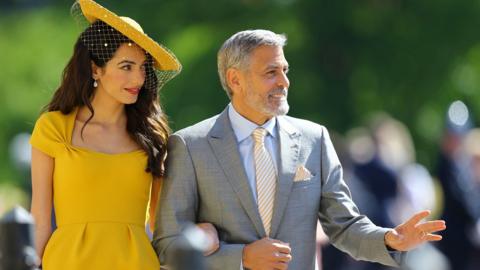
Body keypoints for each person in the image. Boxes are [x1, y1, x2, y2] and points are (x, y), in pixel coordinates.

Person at [153, 29, 446, 270]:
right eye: (271, 72)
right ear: (235, 79)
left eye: (285, 70)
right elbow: (168, 246)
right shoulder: (191, 145)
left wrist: (389, 239)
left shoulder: (314, 139)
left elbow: (343, 226)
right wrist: (241, 258)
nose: (284, 82)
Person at [29, 0, 217, 269]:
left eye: (142, 68)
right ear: (96, 68)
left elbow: (161, 222)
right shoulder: (53, 128)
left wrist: (203, 236)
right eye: (126, 67)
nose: (138, 79)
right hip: (66, 262)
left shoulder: (153, 136)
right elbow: (39, 217)